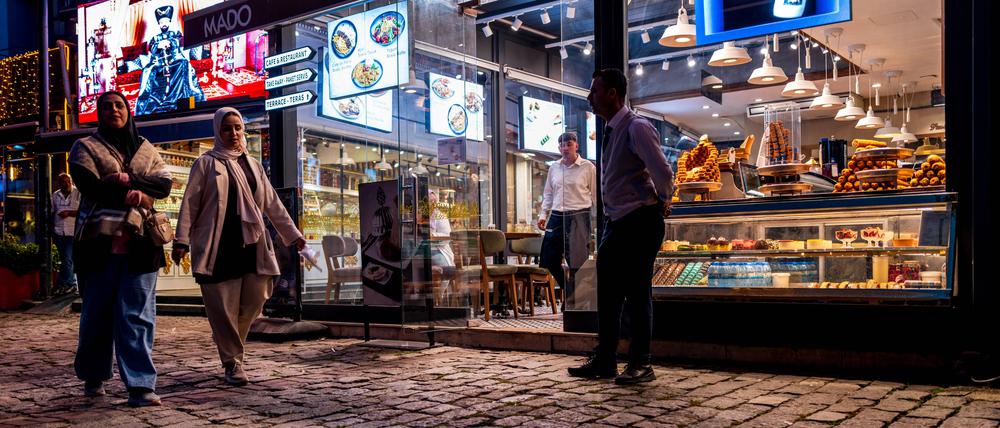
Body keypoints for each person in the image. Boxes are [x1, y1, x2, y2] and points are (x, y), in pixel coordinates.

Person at [172, 108, 305, 386]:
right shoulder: (206, 163)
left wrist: (293, 235)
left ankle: (227, 339)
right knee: (222, 307)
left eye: (237, 128)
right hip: (218, 245)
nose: (233, 134)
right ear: (217, 132)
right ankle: (232, 362)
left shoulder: (253, 164)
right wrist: (181, 240)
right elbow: (190, 203)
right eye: (226, 129)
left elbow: (272, 203)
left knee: (255, 300)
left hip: (252, 244)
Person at [568, 69, 674, 385]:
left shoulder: (637, 127)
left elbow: (663, 172)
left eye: (594, 90)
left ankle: (642, 362)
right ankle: (605, 359)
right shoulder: (613, 130)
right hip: (617, 223)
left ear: (612, 93)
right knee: (610, 293)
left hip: (639, 221)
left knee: (637, 292)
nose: (590, 96)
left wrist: (663, 201)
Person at [70, 91, 172, 406]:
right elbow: (90, 185)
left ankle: (141, 386)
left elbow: (164, 186)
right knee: (96, 315)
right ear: (98, 113)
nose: (114, 110)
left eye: (119, 105)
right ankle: (93, 376)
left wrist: (125, 180)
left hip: (141, 246)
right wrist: (139, 190)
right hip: (97, 245)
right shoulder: (84, 148)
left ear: (128, 111)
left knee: (138, 316)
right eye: (107, 106)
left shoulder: (146, 148)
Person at [536, 132, 596, 308]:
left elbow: (595, 195)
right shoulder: (554, 167)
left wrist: (602, 219)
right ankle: (570, 292)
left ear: (576, 146)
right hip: (556, 215)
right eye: (561, 145)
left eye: (568, 144)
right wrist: (542, 215)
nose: (565, 148)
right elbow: (548, 193)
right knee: (548, 260)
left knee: (577, 263)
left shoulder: (588, 167)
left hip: (579, 214)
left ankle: (576, 303)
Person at [135, 5, 205, 115]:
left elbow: (178, 44)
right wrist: (158, 45)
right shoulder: (155, 38)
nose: (164, 24)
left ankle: (184, 96)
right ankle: (158, 100)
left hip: (174, 63)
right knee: (148, 72)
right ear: (159, 23)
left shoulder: (175, 34)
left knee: (184, 64)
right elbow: (152, 51)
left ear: (169, 21)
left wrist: (171, 43)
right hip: (159, 63)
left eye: (166, 21)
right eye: (161, 22)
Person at [52, 173, 81, 296]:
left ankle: (67, 284)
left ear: (71, 182)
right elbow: (52, 211)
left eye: (68, 181)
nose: (66, 184)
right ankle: (70, 283)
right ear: (59, 183)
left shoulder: (78, 193)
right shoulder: (55, 195)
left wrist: (68, 212)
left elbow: (82, 211)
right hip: (59, 231)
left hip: (72, 231)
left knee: (67, 259)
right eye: (63, 182)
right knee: (65, 259)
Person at [428, 191, 455, 267]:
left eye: (434, 201)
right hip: (420, 251)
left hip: (438, 249)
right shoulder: (418, 215)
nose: (433, 203)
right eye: (430, 201)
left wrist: (432, 234)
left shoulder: (440, 216)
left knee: (444, 267)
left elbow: (447, 235)